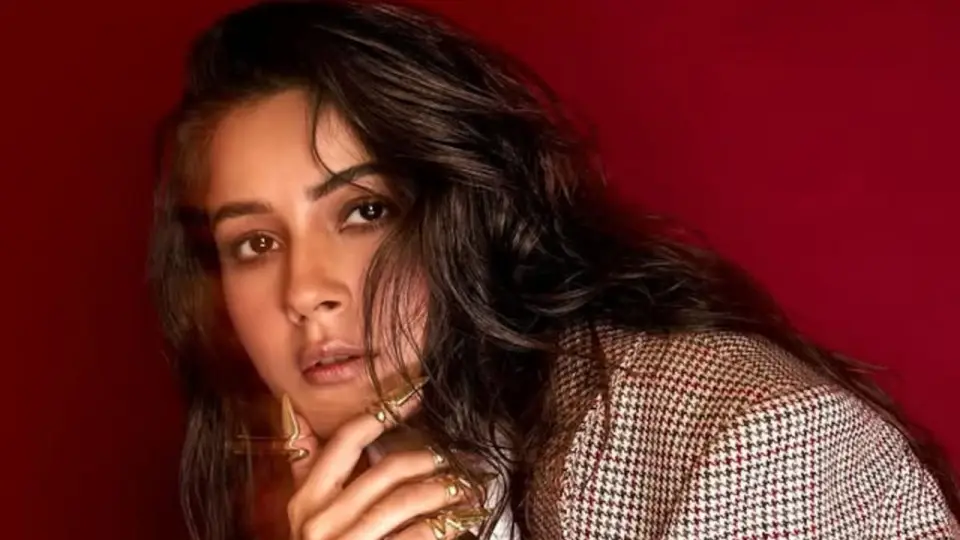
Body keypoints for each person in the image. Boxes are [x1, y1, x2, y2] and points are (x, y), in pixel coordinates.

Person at [149, 1, 960, 539]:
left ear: (469, 212)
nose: (304, 292)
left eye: (366, 211)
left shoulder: (748, 442)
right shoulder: (304, 496)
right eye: (254, 244)